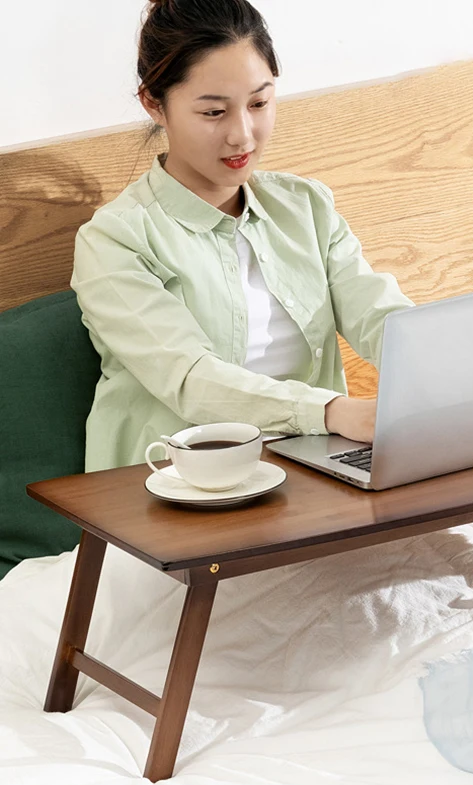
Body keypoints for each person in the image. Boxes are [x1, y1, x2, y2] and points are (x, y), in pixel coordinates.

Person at [71, 0, 415, 473]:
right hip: (170, 483)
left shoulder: (305, 207)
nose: (243, 136)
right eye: (214, 112)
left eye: (259, 103)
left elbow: (377, 314)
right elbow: (190, 379)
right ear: (154, 104)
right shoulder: (114, 239)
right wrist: (330, 412)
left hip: (310, 468)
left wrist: (448, 367)